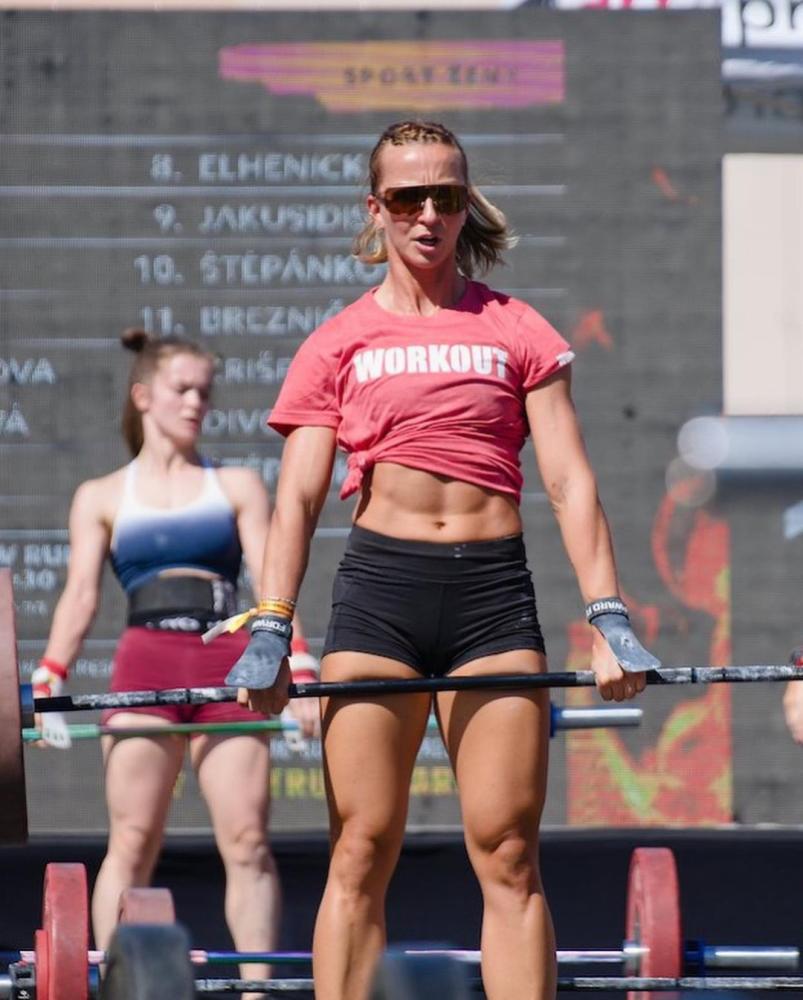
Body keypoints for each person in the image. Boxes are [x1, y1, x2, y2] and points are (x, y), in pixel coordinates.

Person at [224, 120, 658, 1000]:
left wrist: (608, 618)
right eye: (408, 197)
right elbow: (297, 498)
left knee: (508, 852)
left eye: (446, 196)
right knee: (360, 848)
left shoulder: (518, 328)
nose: (427, 214)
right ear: (375, 207)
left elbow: (569, 481)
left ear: (466, 206)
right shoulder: (336, 341)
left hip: (491, 601)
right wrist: (271, 627)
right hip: (380, 598)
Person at [33, 329, 318, 996]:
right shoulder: (101, 495)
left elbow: (272, 581)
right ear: (143, 396)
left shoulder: (236, 484)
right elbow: (81, 595)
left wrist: (300, 666)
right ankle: (113, 986)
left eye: (204, 393)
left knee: (247, 842)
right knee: (132, 840)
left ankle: (257, 991)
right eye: (182, 389)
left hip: (229, 665)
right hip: (146, 666)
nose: (196, 403)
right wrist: (49, 674)